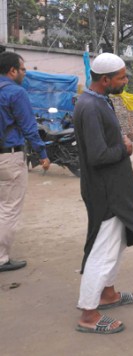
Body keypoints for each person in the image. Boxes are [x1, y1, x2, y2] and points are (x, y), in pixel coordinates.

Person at [73, 53, 133, 334]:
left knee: (117, 243)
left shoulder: (99, 101)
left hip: (115, 188)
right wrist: (124, 148)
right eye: (121, 77)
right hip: (106, 192)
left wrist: (120, 141)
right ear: (105, 80)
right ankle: (89, 314)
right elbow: (98, 155)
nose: (125, 81)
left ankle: (108, 294)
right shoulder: (90, 106)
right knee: (102, 250)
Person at [0, 52, 50, 272]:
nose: (24, 73)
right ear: (12, 70)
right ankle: (1, 258)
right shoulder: (16, 93)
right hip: (9, 156)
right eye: (22, 69)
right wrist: (42, 153)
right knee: (9, 208)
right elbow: (29, 127)